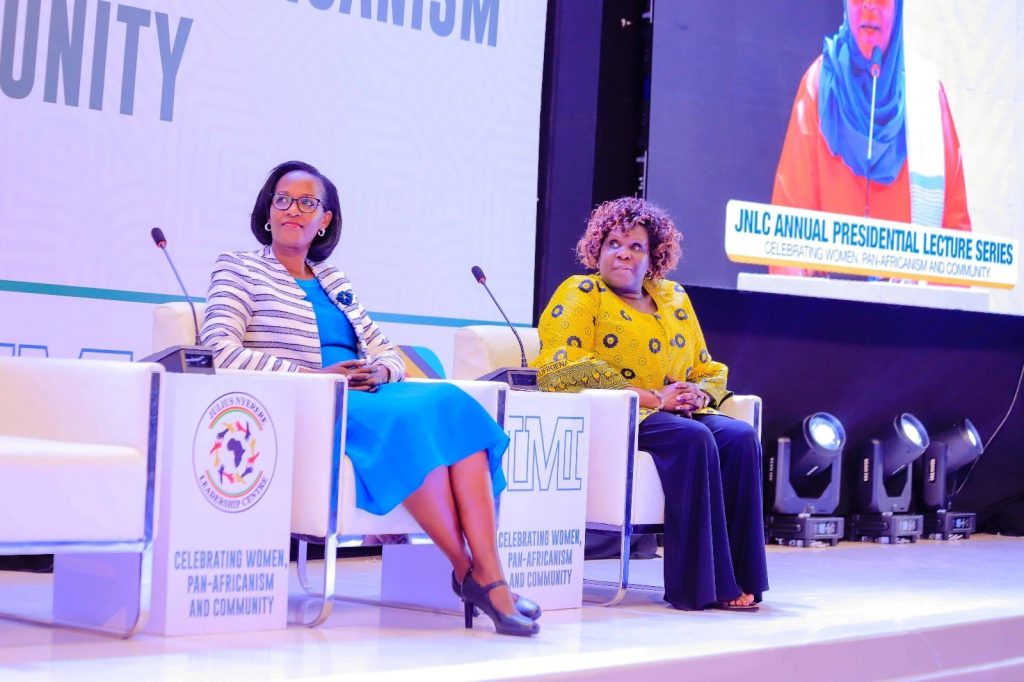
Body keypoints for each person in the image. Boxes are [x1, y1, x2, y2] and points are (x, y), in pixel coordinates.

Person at [200, 160, 539, 636]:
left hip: (366, 391)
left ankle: (487, 574)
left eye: (307, 203)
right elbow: (220, 350)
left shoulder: (334, 280)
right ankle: (477, 577)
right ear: (268, 211)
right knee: (410, 421)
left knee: (452, 405)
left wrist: (381, 368)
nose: (293, 210)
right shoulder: (237, 268)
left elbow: (384, 349)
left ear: (326, 220)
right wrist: (316, 375)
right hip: (310, 401)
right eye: (283, 200)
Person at [532, 197, 768, 611]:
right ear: (597, 250)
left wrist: (700, 393)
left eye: (635, 246)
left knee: (740, 437)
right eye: (613, 243)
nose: (623, 252)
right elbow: (561, 369)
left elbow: (705, 366)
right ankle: (702, 588)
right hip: (620, 414)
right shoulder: (582, 293)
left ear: (653, 256)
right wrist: (656, 398)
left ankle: (742, 578)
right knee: (692, 438)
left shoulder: (674, 298)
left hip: (676, 411)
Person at [771, 0, 971, 277]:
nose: (869, 6)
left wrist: (931, 318)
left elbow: (957, 240)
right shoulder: (818, 88)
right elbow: (785, 236)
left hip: (911, 315)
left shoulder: (927, 94)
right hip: (827, 314)